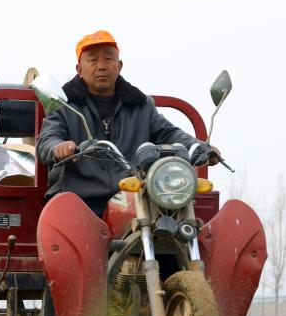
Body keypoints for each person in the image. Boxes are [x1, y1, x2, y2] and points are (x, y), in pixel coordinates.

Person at [36, 29, 217, 218]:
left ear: (119, 66)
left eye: (108, 59)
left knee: (177, 220)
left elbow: (168, 133)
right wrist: (58, 147)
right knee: (61, 224)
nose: (101, 66)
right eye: (93, 60)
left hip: (134, 198)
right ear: (79, 69)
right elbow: (47, 139)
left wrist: (199, 147)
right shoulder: (63, 104)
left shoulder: (142, 105)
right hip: (78, 199)